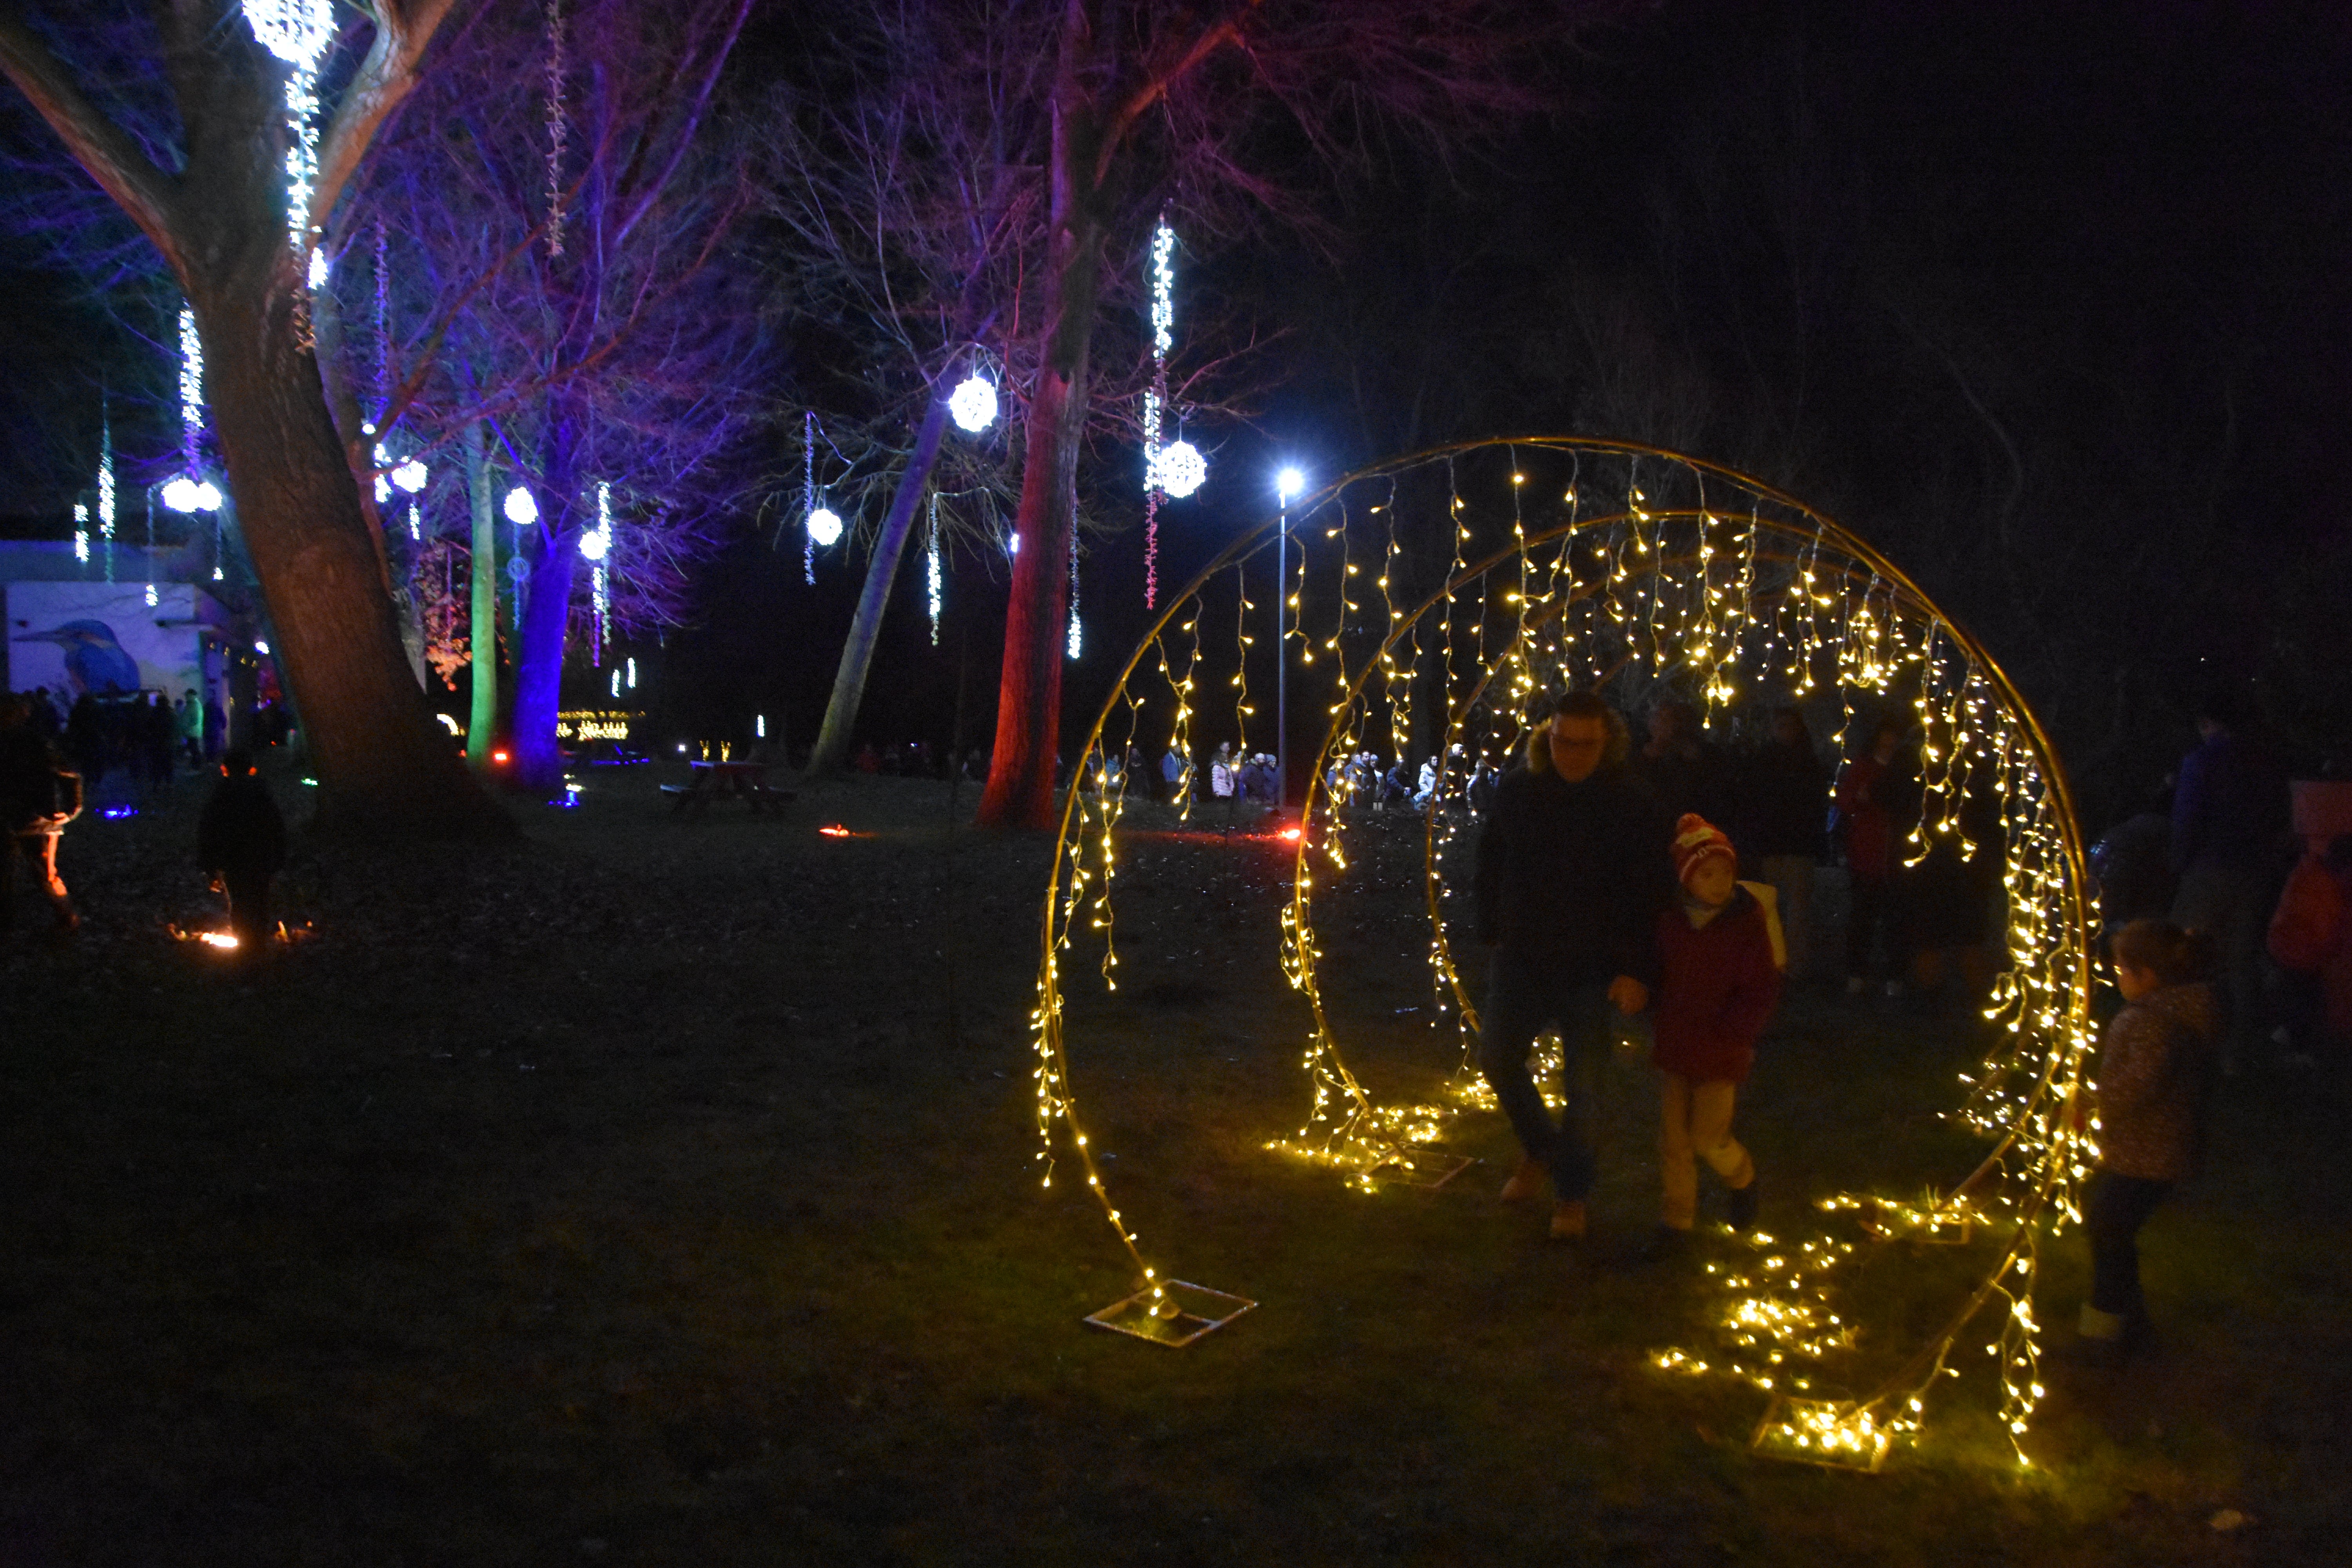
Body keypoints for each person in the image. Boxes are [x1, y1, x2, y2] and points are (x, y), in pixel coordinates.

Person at [1472, 691, 1673, 1241]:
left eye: (1586, 744)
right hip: (1523, 954)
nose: (1573, 754)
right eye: (1563, 741)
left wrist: (1637, 969)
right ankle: (1542, 1147)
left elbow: (1650, 892)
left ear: (1606, 743)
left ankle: (1572, 1192)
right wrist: (1493, 925)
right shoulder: (1521, 790)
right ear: (1549, 736)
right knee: (1497, 1057)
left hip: (1594, 964)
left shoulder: (1631, 802)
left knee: (1587, 1085)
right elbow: (1491, 859)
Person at [2065, 920, 2218, 1368]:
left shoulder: (2152, 1021)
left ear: (2147, 975)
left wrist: (2090, 1105)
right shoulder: (2181, 1012)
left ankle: (2103, 1336)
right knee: (2112, 1233)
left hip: (2146, 1154)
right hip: (2153, 1149)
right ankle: (2134, 1330)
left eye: (2121, 969)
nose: (2116, 977)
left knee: (2108, 1232)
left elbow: (2138, 1085)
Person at [1645, 813, 1782, 1254]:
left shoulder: (1745, 923)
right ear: (1687, 878)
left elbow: (1761, 987)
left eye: (1726, 873)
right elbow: (1658, 971)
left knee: (1707, 1137)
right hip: (1677, 1042)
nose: (1719, 883)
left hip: (1721, 1048)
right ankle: (1677, 1219)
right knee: (1674, 1140)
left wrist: (1736, 1032)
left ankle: (1741, 1176)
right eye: (1707, 874)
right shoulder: (1672, 921)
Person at [2169, 687, 2289, 1068]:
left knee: (2182, 951)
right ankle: (2234, 1053)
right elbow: (2280, 817)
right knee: (2240, 960)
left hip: (2209, 868)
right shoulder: (2266, 762)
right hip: (2254, 871)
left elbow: (2188, 819)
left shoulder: (2201, 762)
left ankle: (2177, 1044)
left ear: (2207, 723)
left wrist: (2179, 863)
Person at [1739, 706, 1828, 980]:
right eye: (1780, 726)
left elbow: (1816, 804)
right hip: (1772, 843)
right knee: (1769, 907)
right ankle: (1771, 963)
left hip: (1796, 845)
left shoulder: (1807, 762)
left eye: (1789, 726)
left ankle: (1794, 966)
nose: (1785, 732)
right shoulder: (1764, 761)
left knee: (1797, 909)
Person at [2266, 781, 2352, 1061]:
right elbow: (2326, 937)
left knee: (2298, 997)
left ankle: (2286, 1039)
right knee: (2308, 1000)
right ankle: (2299, 1050)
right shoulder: (2326, 889)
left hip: (2287, 951)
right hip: (2301, 958)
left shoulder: (2308, 872)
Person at [1836, 721, 1911, 996]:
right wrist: (1860, 798)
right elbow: (1845, 802)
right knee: (1863, 918)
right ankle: (1857, 973)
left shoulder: (1905, 769)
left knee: (1896, 921)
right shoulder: (1864, 767)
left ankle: (1894, 976)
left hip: (1898, 856)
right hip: (1867, 854)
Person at [0, 693, 83, 937]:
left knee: (44, 872)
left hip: (36, 819)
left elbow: (69, 772)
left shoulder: (34, 742)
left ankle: (67, 918)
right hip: (20, 816)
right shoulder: (31, 741)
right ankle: (7, 922)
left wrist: (72, 807)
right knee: (9, 872)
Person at [199, 748, 288, 953]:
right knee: (259, 900)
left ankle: (247, 947)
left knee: (239, 902)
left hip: (234, 858)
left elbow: (209, 830)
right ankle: (258, 945)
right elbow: (276, 826)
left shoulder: (221, 794)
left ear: (225, 769)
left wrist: (210, 867)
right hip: (261, 856)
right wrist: (279, 857)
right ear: (251, 769)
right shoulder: (261, 793)